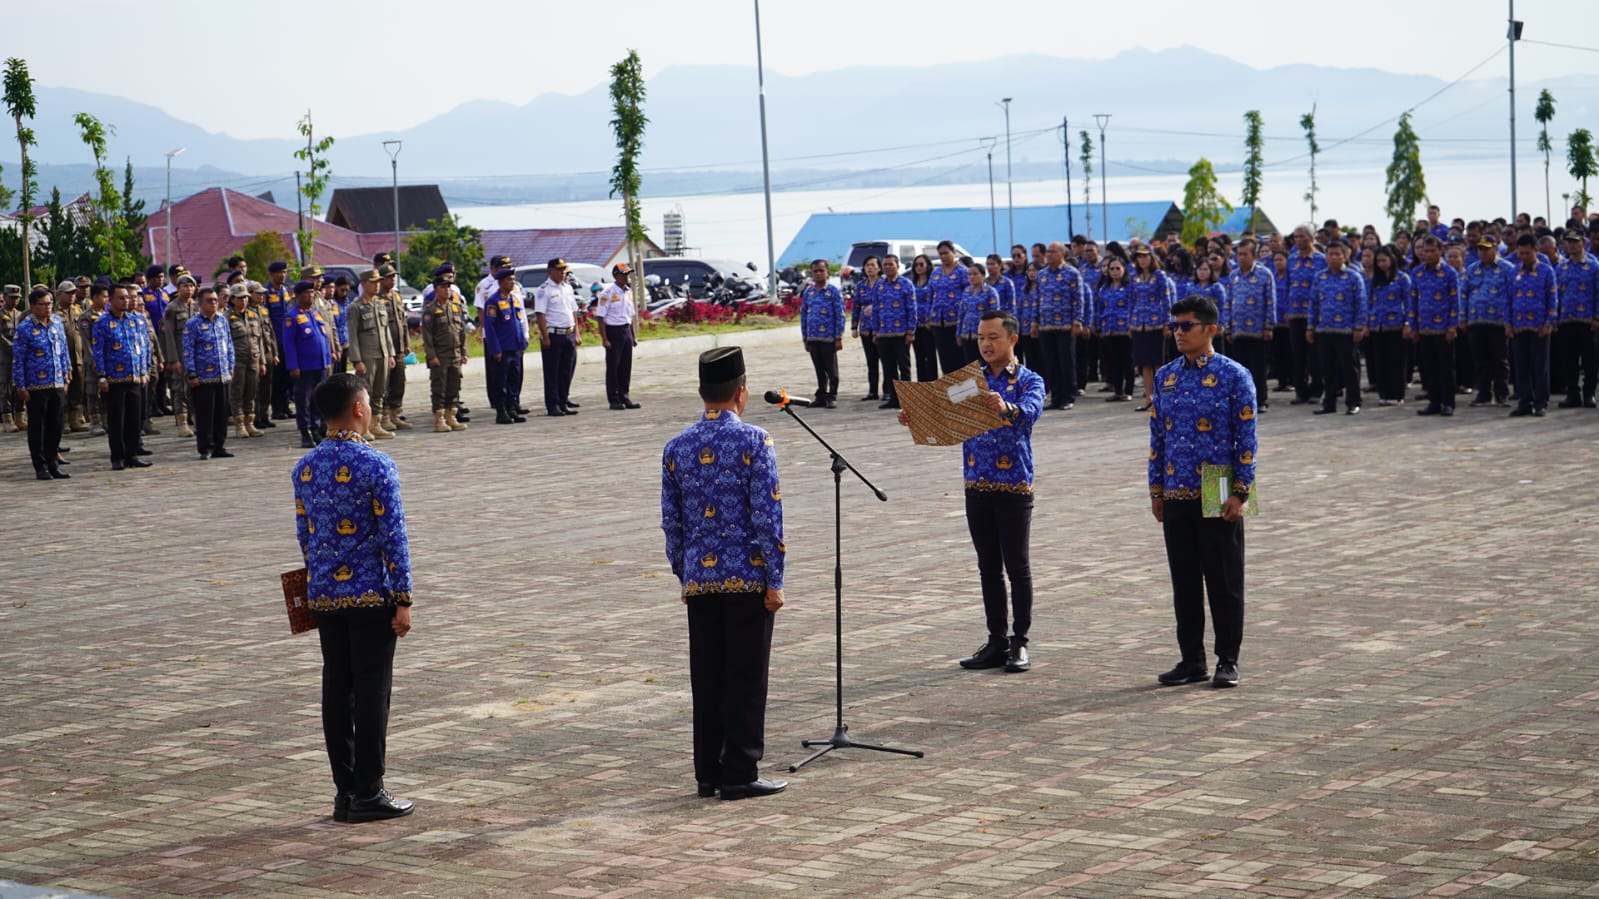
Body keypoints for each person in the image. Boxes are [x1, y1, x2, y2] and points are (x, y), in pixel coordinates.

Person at [660, 346, 788, 801]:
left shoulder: (676, 446)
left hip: (700, 579)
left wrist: (684, 574)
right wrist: (775, 579)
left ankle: (706, 773)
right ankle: (740, 771)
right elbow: (767, 515)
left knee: (708, 676)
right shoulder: (755, 441)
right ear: (742, 392)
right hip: (748, 577)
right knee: (746, 677)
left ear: (702, 392)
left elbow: (671, 522)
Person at [293, 372, 415, 824]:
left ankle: (344, 790)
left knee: (336, 690)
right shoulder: (376, 464)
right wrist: (403, 597)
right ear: (359, 409)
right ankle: (369, 790)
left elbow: (305, 536)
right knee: (372, 692)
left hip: (325, 595)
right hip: (369, 594)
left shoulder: (304, 467)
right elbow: (394, 536)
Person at [899, 310, 1044, 674]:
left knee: (1018, 566)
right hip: (976, 483)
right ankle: (995, 640)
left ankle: (1020, 642)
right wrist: (915, 416)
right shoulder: (970, 380)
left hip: (1013, 485)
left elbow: (1030, 412)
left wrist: (1007, 407)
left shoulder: (1029, 379)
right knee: (988, 567)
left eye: (993, 337)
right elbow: (943, 410)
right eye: (981, 337)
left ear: (1013, 339)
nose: (986, 344)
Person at [1149, 294, 1255, 689]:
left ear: (1211, 329)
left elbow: (1247, 438)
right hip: (1176, 487)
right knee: (1185, 581)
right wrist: (1156, 488)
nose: (1178, 332)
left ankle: (1228, 659)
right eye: (1174, 325)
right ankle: (1190, 659)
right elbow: (1157, 435)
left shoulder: (1234, 375)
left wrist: (1241, 492)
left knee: (1224, 580)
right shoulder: (1166, 376)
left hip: (1218, 485)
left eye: (1186, 325)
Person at [13, 286, 73, 480]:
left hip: (56, 382)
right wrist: (21, 386)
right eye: (43, 304)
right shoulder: (25, 329)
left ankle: (53, 462)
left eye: (50, 303)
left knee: (55, 425)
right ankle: (40, 466)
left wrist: (67, 373)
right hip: (35, 385)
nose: (48, 307)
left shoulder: (56, 323)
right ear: (32, 306)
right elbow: (18, 360)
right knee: (38, 427)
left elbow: (63, 350)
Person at [91, 283, 153, 470]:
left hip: (135, 376)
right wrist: (101, 376)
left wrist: (145, 370)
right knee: (117, 420)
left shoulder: (136, 320)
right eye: (121, 298)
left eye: (127, 297)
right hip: (114, 379)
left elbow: (143, 347)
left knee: (134, 419)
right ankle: (117, 457)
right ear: (111, 300)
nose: (126, 301)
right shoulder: (102, 322)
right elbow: (98, 350)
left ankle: (132, 454)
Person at [1306, 241, 1369, 415]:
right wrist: (1310, 327)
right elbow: (1313, 304)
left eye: (1337, 254)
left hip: (1347, 331)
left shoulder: (1353, 277)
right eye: (1330, 254)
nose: (1333, 257)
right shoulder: (1320, 277)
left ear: (1345, 256)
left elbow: (1361, 304)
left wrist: (1358, 327)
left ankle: (1353, 402)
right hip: (1324, 330)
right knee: (1327, 369)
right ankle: (1329, 403)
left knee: (1349, 368)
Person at [180, 287, 236, 459]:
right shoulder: (193, 324)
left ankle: (220, 446)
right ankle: (205, 447)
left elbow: (229, 345)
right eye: (209, 300)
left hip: (223, 374)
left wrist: (231, 366)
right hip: (203, 377)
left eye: (214, 300)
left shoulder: (222, 320)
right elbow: (188, 350)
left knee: (221, 413)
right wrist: (192, 374)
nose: (213, 303)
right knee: (205, 414)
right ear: (200, 303)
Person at [1409, 236, 1462, 417]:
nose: (1429, 254)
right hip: (1424, 328)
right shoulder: (1417, 273)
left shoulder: (1449, 273)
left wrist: (1452, 327)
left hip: (1444, 328)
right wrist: (1413, 326)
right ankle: (1434, 402)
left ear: (1441, 251)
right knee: (1429, 368)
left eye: (1433, 251)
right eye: (1426, 250)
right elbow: (1413, 300)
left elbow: (1455, 302)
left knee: (1445, 368)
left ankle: (1448, 403)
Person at [1507, 234, 1558, 418]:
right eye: (1521, 253)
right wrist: (1508, 323)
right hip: (1519, 325)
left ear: (1535, 251)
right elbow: (1508, 299)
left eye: (1527, 253)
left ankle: (1540, 403)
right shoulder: (1513, 272)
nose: (1524, 257)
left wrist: (1549, 322)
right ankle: (1524, 402)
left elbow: (1552, 299)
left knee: (1540, 366)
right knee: (1521, 366)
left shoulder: (1546, 271)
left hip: (1539, 326)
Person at [1223, 238, 1276, 410]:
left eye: (1245, 254)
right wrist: (1228, 328)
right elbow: (1228, 303)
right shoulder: (1233, 276)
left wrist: (1269, 326)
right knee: (1239, 370)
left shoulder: (1264, 275)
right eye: (1239, 254)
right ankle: (1241, 401)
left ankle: (1260, 400)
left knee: (1258, 368)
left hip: (1258, 330)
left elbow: (1270, 301)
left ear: (1254, 255)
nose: (1241, 257)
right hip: (1238, 330)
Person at [1462, 237, 1515, 407]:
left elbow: (1513, 295)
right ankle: (1484, 394)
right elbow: (1463, 294)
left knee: (1499, 360)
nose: (1483, 253)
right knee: (1480, 359)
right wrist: (1462, 318)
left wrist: (1510, 321)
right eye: (1480, 249)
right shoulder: (1471, 269)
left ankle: (1502, 394)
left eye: (1486, 249)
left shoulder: (1507, 269)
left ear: (1495, 249)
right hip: (1476, 321)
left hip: (1498, 322)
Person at [346, 270, 397, 440]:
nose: (376, 285)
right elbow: (352, 335)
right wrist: (357, 360)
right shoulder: (356, 307)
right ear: (363, 284)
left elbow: (386, 331)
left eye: (378, 282)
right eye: (373, 282)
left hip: (382, 353)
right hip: (367, 355)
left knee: (380, 391)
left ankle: (376, 423)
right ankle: (364, 427)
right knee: (364, 392)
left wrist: (390, 353)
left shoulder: (380, 304)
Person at [1036, 242, 1087, 409]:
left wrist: (1077, 321)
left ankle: (1068, 397)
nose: (1048, 254)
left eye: (1052, 252)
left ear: (1062, 254)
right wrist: (1034, 322)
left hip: (1065, 324)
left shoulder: (1072, 273)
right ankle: (1055, 397)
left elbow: (1078, 299)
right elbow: (1037, 300)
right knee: (1051, 362)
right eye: (1047, 252)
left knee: (1066, 362)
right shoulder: (1041, 275)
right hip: (1046, 325)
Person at [284, 280, 334, 447]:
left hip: (319, 364)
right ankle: (305, 432)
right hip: (304, 366)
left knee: (317, 399)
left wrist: (327, 359)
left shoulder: (315, 313)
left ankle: (316, 428)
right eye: (306, 293)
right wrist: (293, 366)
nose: (310, 295)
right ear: (297, 296)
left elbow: (323, 338)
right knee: (303, 400)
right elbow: (289, 344)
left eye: (312, 292)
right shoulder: (291, 317)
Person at [419, 274, 471, 432]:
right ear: (436, 289)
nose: (447, 290)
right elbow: (427, 336)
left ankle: (451, 415)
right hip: (440, 355)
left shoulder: (455, 307)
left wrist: (464, 351)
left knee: (454, 386)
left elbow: (461, 331)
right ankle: (439, 418)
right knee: (439, 387)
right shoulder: (431, 310)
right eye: (443, 287)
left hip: (455, 354)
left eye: (449, 287)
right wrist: (432, 355)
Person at [1554, 231, 1599, 408]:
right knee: (1569, 360)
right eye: (1569, 242)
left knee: (1590, 360)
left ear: (1583, 243)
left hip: (1587, 320)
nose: (1572, 245)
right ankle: (1573, 394)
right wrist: (1555, 317)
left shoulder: (1594, 266)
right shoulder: (1561, 268)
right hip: (1566, 320)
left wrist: (1597, 317)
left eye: (1575, 242)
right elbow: (1556, 294)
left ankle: (1589, 394)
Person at [1367, 246, 1415, 406]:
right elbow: (1369, 301)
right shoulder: (1374, 280)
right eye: (1378, 261)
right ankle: (1384, 393)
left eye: (1384, 260)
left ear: (1392, 260)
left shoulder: (1403, 278)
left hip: (1396, 325)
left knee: (1396, 361)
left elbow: (1409, 302)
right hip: (1377, 325)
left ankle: (1397, 394)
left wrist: (1408, 323)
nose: (1381, 264)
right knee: (1380, 361)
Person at [1284, 226, 1326, 406]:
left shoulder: (1320, 260)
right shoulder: (1291, 259)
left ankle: (1317, 390)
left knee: (1315, 355)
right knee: (1297, 355)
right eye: (1296, 237)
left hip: (1314, 315)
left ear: (1311, 238)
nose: (1298, 240)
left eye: (1302, 236)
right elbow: (1288, 285)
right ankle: (1301, 391)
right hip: (1295, 314)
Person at [534, 258, 582, 416]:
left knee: (566, 371)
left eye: (564, 270)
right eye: (559, 270)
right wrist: (545, 336)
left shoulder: (567, 288)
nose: (563, 273)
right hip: (553, 334)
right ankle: (553, 404)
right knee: (552, 372)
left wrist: (577, 332)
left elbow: (572, 311)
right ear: (550, 272)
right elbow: (540, 314)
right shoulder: (544, 289)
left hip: (568, 333)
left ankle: (563, 401)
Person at [1130, 246, 1175, 411]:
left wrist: (1167, 323)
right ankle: (1148, 396)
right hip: (1139, 323)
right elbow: (1131, 300)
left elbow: (1166, 299)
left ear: (1152, 257)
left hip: (1156, 323)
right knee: (1144, 363)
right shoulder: (1134, 277)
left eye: (1145, 256)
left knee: (1158, 362)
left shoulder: (1160, 276)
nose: (1142, 260)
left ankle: (1161, 397)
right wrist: (1130, 321)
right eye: (1139, 257)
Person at [484, 267, 530, 423]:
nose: (512, 283)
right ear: (501, 282)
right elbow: (490, 328)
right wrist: (495, 349)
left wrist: (522, 343)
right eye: (509, 280)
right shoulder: (493, 301)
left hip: (515, 346)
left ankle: (512, 408)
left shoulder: (515, 299)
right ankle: (501, 411)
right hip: (502, 349)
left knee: (514, 380)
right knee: (501, 381)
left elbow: (519, 321)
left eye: (513, 279)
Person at [596, 263, 642, 410]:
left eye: (628, 274)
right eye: (624, 274)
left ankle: (625, 396)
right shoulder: (607, 293)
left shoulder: (628, 292)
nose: (626, 277)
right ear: (616, 275)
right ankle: (614, 398)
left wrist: (633, 336)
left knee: (625, 366)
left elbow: (630, 316)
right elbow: (601, 317)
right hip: (613, 331)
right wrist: (604, 338)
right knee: (613, 367)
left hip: (625, 330)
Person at [799, 259, 844, 407]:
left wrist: (838, 337)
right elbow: (804, 315)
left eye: (821, 270)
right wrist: (805, 337)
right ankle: (821, 395)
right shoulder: (808, 292)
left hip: (828, 338)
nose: (818, 274)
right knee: (818, 368)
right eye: (815, 271)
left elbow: (840, 315)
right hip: (812, 337)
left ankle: (832, 395)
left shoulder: (833, 292)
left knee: (831, 369)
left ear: (827, 272)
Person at [226, 284, 269, 438]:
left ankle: (249, 422)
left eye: (245, 297)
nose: (243, 300)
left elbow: (260, 340)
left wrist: (262, 361)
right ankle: (239, 424)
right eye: (240, 298)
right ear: (232, 300)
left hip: (254, 359)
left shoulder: (253, 315)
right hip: (237, 360)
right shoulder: (227, 318)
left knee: (252, 391)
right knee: (237, 392)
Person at [874, 255, 916, 409]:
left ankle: (906, 399)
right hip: (884, 333)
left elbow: (912, 309)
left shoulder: (906, 284)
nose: (887, 267)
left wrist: (911, 331)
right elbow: (876, 310)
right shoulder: (879, 286)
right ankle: (893, 397)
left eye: (890, 264)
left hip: (901, 333)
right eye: (884, 264)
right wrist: (875, 332)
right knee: (888, 368)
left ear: (898, 266)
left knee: (904, 367)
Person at [161, 274, 199, 437]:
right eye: (185, 286)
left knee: (196, 389)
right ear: (178, 288)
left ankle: (196, 419)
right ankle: (182, 422)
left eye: (191, 286)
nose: (188, 289)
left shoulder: (197, 307)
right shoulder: (172, 308)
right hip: (179, 353)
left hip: (197, 356)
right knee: (179, 389)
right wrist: (172, 359)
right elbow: (168, 335)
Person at [1094, 256, 1135, 402]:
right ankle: (1118, 390)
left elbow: (1132, 306)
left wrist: (1131, 323)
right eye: (1112, 268)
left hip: (1125, 328)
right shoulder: (1104, 288)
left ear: (1124, 269)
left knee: (1127, 361)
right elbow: (1100, 308)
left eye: (1118, 268)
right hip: (1109, 328)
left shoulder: (1130, 287)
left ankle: (1128, 390)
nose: (1115, 271)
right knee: (1114, 361)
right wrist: (1098, 324)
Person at [378, 264, 412, 433]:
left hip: (398, 347)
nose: (392, 279)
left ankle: (395, 414)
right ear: (381, 279)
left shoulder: (396, 297)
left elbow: (403, 322)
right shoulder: (378, 298)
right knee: (385, 383)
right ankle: (383, 416)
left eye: (393, 276)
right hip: (385, 348)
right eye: (389, 276)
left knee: (399, 382)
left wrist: (406, 343)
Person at [928, 241, 966, 373]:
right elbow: (930, 296)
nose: (943, 256)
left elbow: (968, 295)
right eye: (940, 254)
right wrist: (929, 317)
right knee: (945, 359)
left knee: (959, 359)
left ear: (953, 253)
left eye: (946, 253)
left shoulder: (963, 272)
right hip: (939, 322)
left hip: (957, 322)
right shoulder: (936, 273)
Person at [264, 261, 295, 421]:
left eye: (284, 272)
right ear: (272, 274)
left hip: (288, 340)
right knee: (276, 377)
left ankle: (286, 405)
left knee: (287, 376)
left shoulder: (287, 291)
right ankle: (277, 408)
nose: (283, 275)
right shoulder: (267, 293)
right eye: (279, 272)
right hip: (275, 340)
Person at [957, 261, 1000, 366]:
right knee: (970, 365)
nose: (972, 277)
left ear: (983, 275)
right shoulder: (966, 291)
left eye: (975, 274)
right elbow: (961, 313)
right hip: (967, 334)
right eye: (969, 274)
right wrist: (958, 333)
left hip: (984, 336)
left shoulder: (990, 291)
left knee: (985, 364)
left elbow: (995, 315)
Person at [851, 256, 882, 401]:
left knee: (886, 361)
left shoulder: (884, 284)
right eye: (867, 265)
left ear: (879, 268)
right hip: (865, 328)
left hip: (882, 329)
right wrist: (854, 326)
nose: (870, 268)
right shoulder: (860, 286)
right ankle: (872, 391)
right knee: (871, 361)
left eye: (873, 265)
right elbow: (856, 306)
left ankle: (888, 391)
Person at [909, 254, 939, 381]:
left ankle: (932, 382)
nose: (918, 267)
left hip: (928, 324)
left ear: (928, 265)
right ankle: (922, 383)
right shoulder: (912, 283)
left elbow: (935, 301)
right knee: (919, 356)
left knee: (930, 356)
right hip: (915, 325)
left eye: (921, 264)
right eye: (916, 265)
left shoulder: (932, 282)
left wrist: (930, 319)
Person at [0, 284, 18, 433]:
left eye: (17, 298)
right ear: (5, 297)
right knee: (5, 386)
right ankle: (7, 418)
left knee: (19, 384)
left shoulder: (19, 315)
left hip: (19, 357)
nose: (14, 301)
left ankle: (20, 415)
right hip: (4, 356)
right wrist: (12, 347)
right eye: (11, 297)